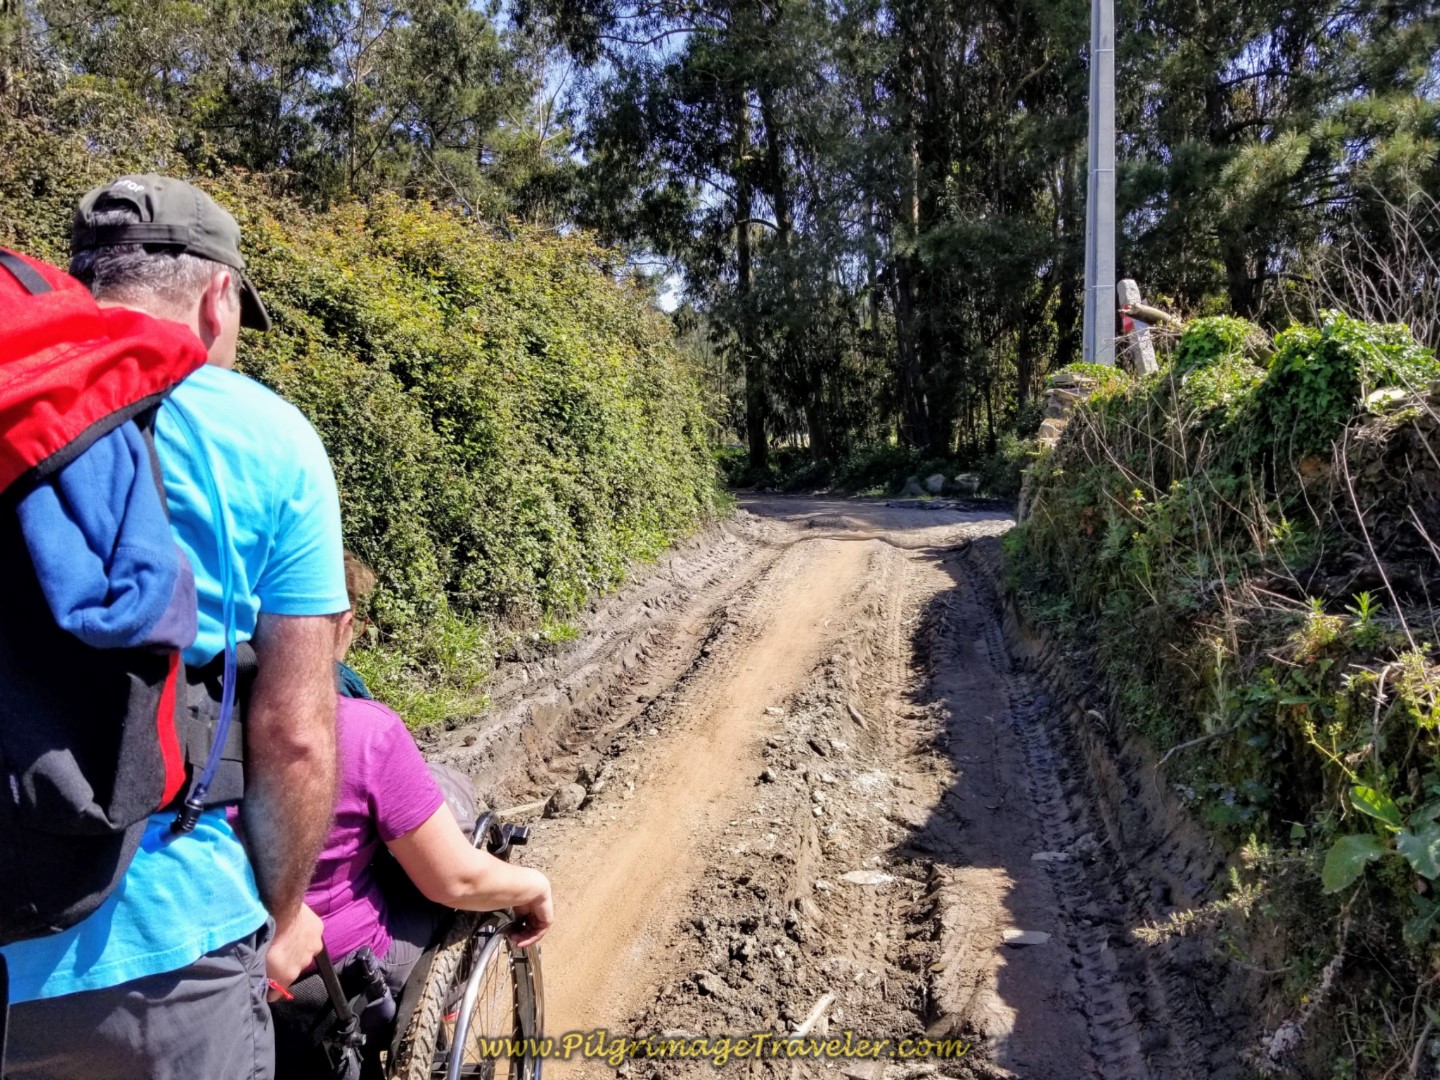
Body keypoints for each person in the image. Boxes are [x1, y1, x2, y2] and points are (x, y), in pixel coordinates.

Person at [1, 175, 346, 1080]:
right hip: (167, 949)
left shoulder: (14, 396)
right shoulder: (271, 439)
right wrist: (281, 917)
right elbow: (296, 735)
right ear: (217, 295)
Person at [304, 553, 553, 997]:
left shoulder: (185, 720)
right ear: (342, 621)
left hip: (215, 976)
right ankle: (451, 998)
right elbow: (455, 882)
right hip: (339, 975)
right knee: (458, 896)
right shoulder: (364, 728)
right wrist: (533, 885)